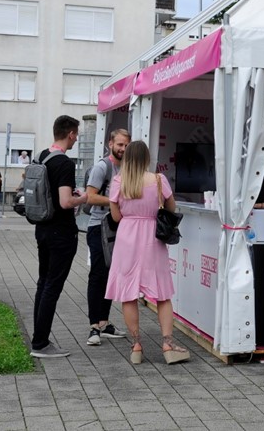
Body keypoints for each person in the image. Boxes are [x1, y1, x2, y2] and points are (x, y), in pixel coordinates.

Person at [106, 140, 190, 365]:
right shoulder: (159, 180)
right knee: (162, 294)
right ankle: (168, 344)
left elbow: (115, 216)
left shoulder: (119, 181)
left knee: (128, 294)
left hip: (126, 239)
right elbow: (171, 208)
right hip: (153, 238)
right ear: (146, 158)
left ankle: (136, 346)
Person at [30, 115, 88, 358]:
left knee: (44, 283)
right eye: (76, 135)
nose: (76, 139)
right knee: (52, 287)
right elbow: (65, 202)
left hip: (42, 228)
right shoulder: (64, 163)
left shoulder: (41, 156)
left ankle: (38, 338)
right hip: (61, 233)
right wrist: (83, 198)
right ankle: (41, 343)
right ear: (71, 134)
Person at [84, 128, 130, 346]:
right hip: (98, 227)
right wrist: (115, 202)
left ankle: (104, 322)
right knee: (98, 275)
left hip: (117, 227)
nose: (123, 149)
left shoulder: (127, 168)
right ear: (110, 144)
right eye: (120, 144)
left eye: (126, 145)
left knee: (110, 275)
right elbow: (90, 197)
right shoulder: (102, 167)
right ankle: (94, 327)